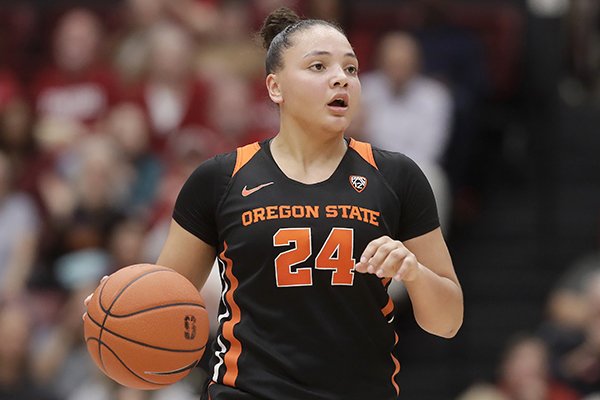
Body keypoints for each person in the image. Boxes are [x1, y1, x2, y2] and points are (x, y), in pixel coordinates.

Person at [84, 7, 463, 400]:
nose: (341, 79)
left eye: (350, 69)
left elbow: (448, 321)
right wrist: (115, 310)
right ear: (275, 87)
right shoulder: (220, 179)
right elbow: (162, 302)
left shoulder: (398, 177)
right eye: (318, 66)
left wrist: (414, 272)